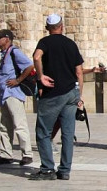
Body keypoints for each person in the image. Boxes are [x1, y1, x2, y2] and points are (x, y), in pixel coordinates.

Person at [29, 14, 84, 180]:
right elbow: (79, 72)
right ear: (62, 26)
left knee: (43, 131)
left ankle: (47, 169)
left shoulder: (44, 42)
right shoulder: (71, 44)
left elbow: (37, 57)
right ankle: (65, 170)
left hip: (52, 94)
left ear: (47, 28)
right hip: (70, 94)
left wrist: (40, 76)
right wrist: (79, 96)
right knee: (68, 134)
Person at [0, 29, 34, 165]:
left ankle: (27, 154)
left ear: (7, 39)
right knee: (4, 126)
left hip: (13, 93)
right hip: (4, 94)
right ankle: (6, 154)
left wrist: (18, 80)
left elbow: (29, 66)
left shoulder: (14, 52)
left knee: (19, 123)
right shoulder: (3, 55)